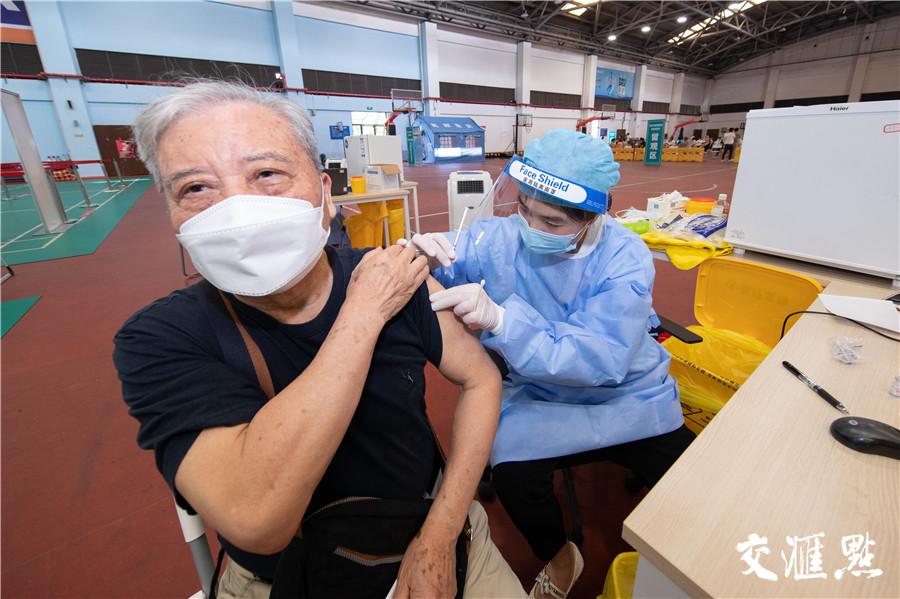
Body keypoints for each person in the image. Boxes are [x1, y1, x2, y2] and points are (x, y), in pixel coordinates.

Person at [113, 81, 526, 599]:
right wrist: (364, 310)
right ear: (172, 215)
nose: (238, 211)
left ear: (326, 193)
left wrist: (441, 536)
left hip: (433, 526)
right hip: (287, 576)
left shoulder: (397, 274)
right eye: (196, 188)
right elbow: (257, 518)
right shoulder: (163, 338)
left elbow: (481, 379)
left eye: (266, 174)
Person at [400, 129, 695, 599]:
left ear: (593, 216)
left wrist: (502, 322)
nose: (532, 229)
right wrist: (422, 254)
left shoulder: (625, 257)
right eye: (523, 210)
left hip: (626, 396)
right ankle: (559, 555)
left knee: (693, 475)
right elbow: (455, 258)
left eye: (553, 222)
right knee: (514, 473)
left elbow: (604, 357)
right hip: (537, 392)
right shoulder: (500, 238)